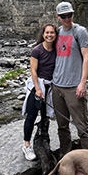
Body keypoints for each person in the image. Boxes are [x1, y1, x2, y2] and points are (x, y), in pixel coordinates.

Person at [52, 1, 88, 157]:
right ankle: (66, 158)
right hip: (57, 86)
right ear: (58, 16)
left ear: (73, 14)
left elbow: (87, 56)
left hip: (73, 87)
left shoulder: (80, 31)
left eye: (69, 15)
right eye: (63, 16)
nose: (67, 19)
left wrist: (82, 83)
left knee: (82, 126)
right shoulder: (57, 32)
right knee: (62, 126)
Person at [21, 24, 58, 160]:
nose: (49, 35)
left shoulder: (56, 50)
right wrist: (37, 89)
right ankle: (26, 145)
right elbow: (33, 71)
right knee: (31, 116)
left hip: (50, 87)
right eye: (47, 33)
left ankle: (43, 141)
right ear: (43, 34)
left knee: (45, 117)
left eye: (52, 33)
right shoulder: (37, 50)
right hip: (38, 86)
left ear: (55, 35)